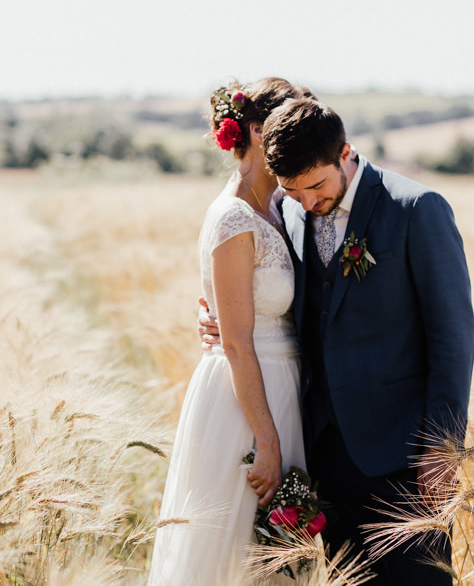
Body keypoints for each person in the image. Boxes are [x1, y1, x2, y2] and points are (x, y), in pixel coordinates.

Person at [200, 96, 474, 584]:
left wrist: (443, 448)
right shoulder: (292, 211)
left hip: (403, 455)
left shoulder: (416, 209)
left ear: (345, 153)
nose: (307, 201)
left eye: (317, 186)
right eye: (293, 190)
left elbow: (452, 337)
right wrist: (220, 321)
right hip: (322, 450)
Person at [148, 78, 313, 585]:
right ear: (261, 132)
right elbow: (238, 342)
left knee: (277, 558)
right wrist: (266, 439)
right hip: (245, 401)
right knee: (234, 552)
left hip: (285, 391)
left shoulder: (284, 208)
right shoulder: (232, 216)